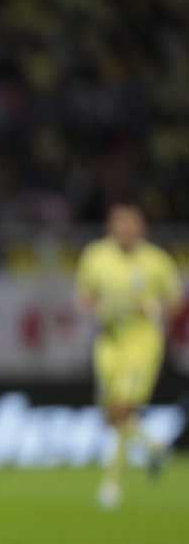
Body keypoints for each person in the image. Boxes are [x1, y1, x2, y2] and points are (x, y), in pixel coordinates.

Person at [75, 202, 183, 509]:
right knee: (109, 414)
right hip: (108, 340)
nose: (126, 231)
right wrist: (95, 309)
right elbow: (85, 296)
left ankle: (110, 486)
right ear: (111, 227)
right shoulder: (96, 256)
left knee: (123, 409)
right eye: (120, 224)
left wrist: (156, 309)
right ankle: (155, 448)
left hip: (142, 340)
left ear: (141, 228)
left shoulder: (156, 260)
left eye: (131, 225)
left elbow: (175, 302)